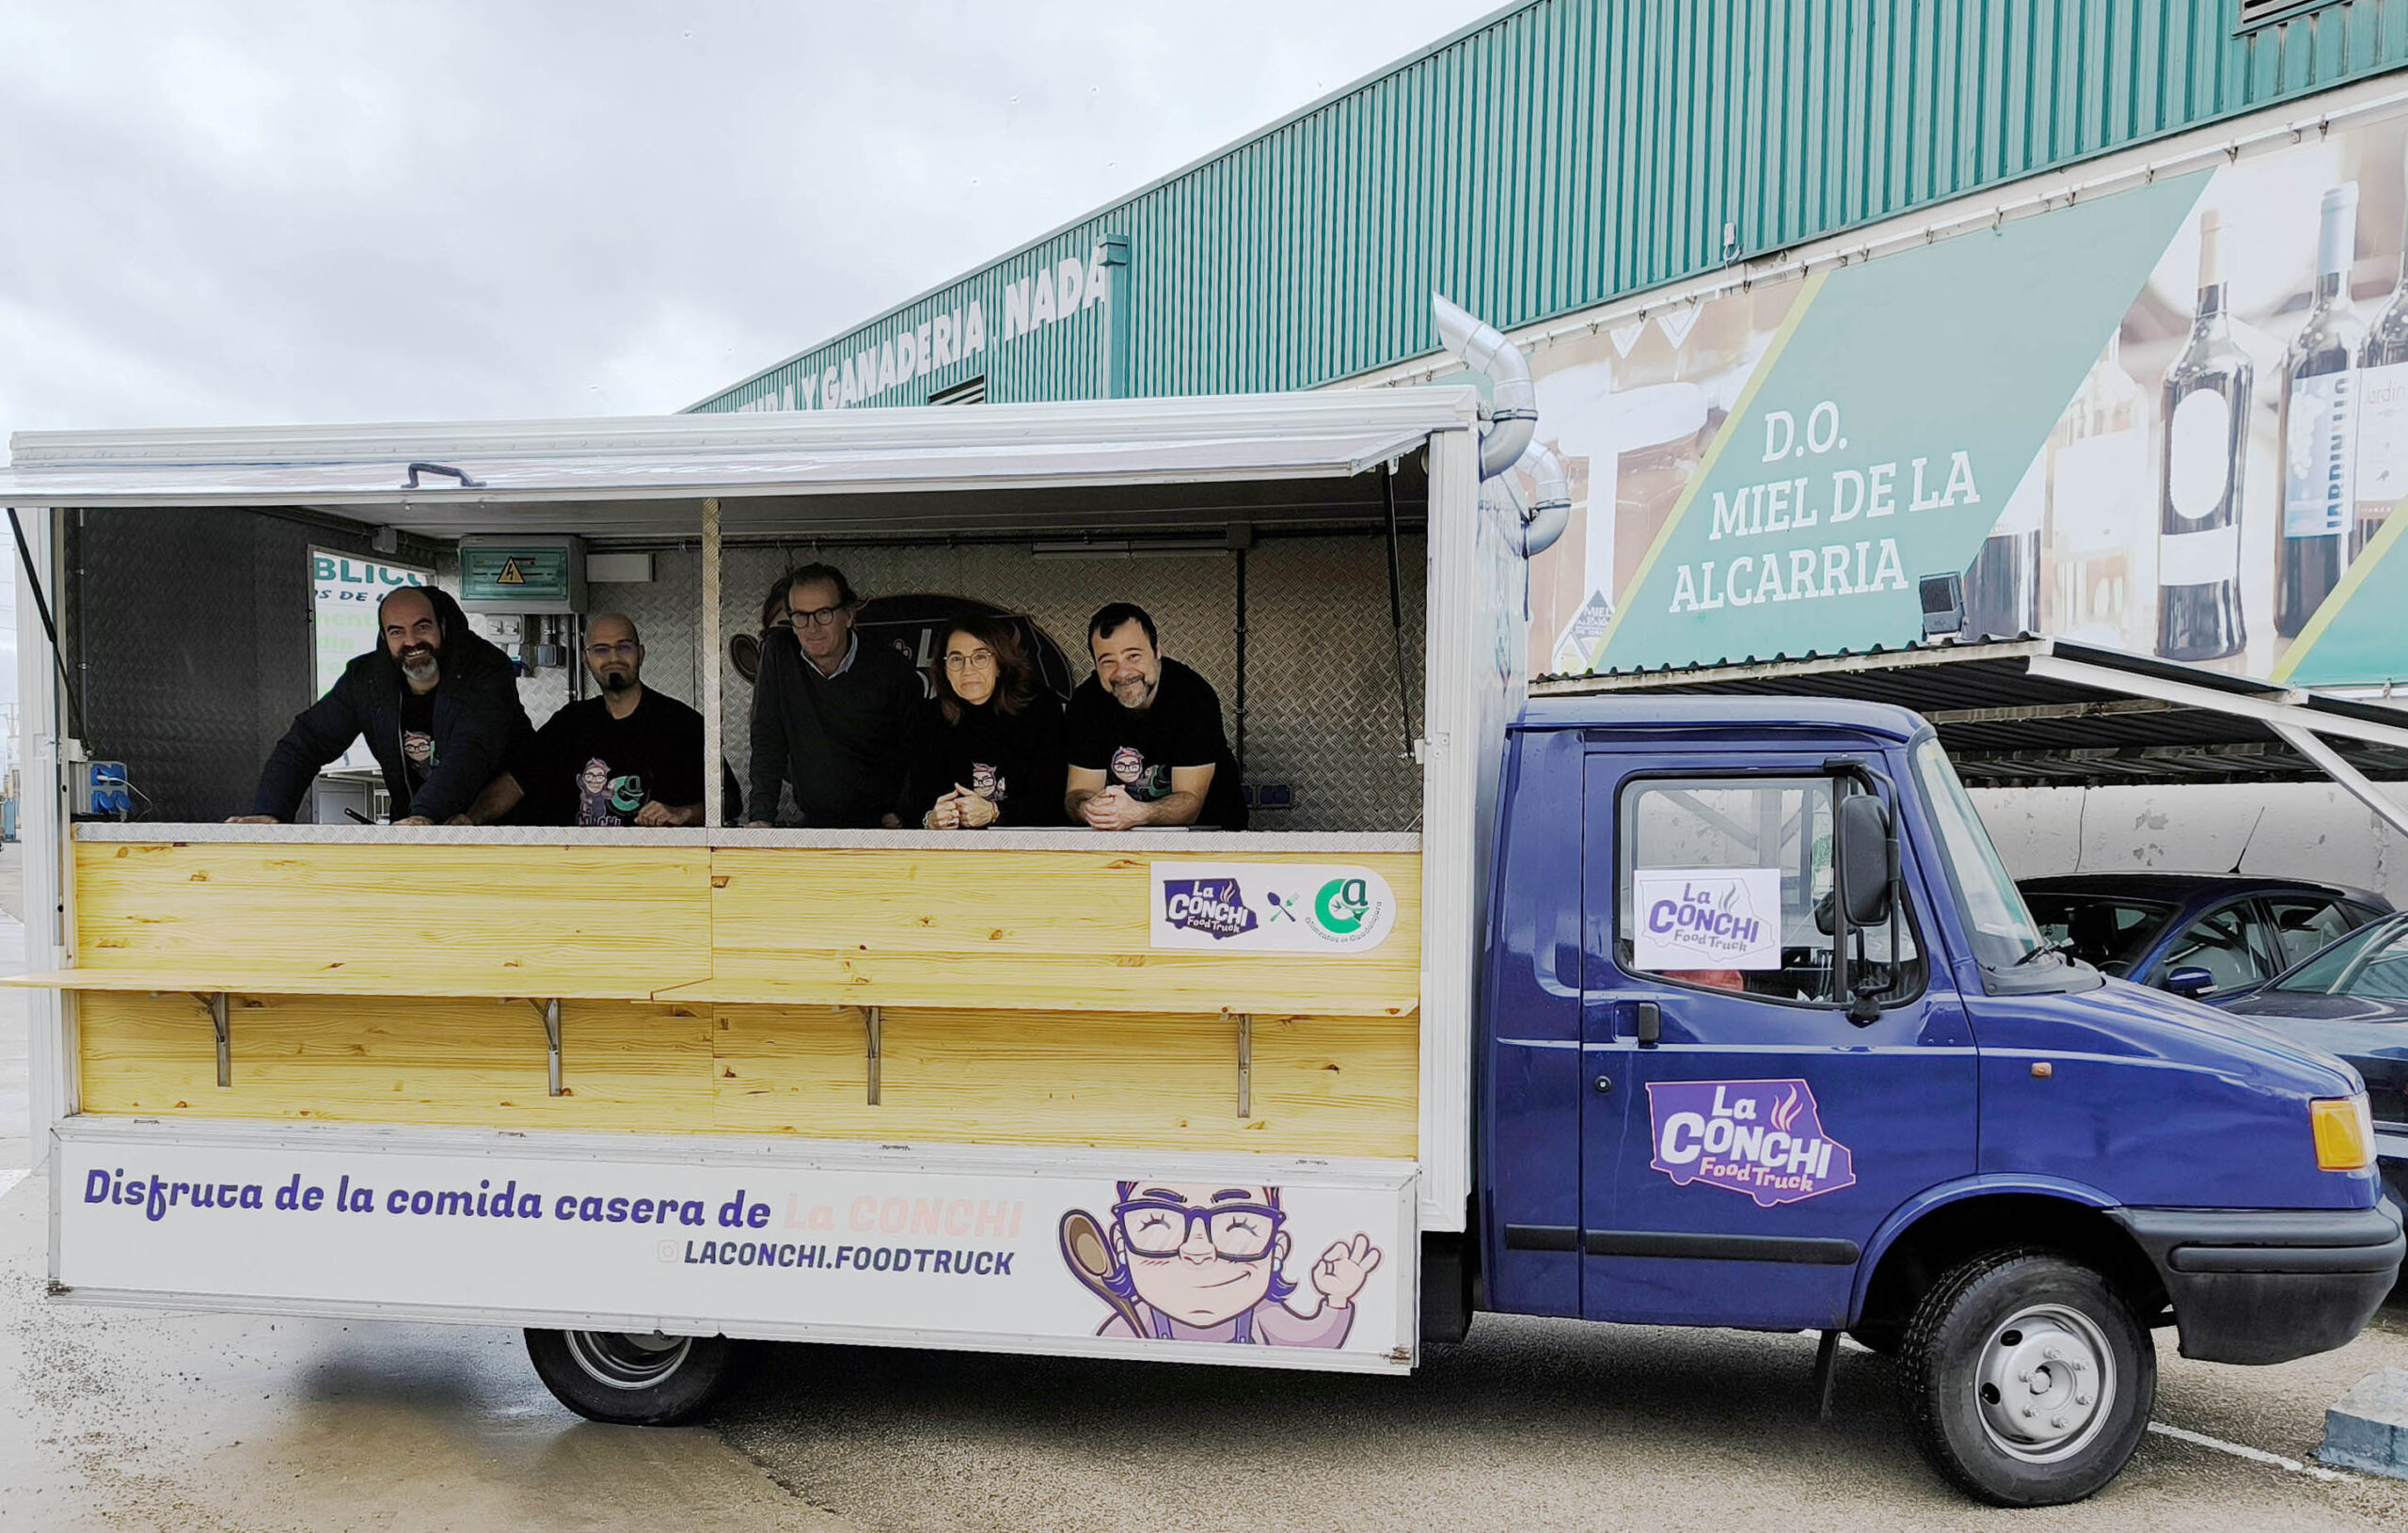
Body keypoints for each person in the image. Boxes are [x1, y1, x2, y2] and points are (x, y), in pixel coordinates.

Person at [235, 585, 530, 826]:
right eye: (397, 631)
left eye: (422, 627)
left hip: (506, 828)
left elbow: (472, 749)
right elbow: (306, 742)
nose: (412, 641)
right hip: (416, 828)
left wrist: (425, 814)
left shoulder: (486, 669)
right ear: (384, 637)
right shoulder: (366, 681)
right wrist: (269, 812)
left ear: (442, 626)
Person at [458, 614, 737, 828]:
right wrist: (470, 821)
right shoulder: (569, 724)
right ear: (586, 660)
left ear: (640, 654)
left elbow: (730, 801)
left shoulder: (681, 725)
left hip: (658, 872)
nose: (613, 657)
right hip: (582, 871)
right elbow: (517, 781)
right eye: (601, 650)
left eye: (623, 647)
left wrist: (682, 813)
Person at [745, 563, 924, 829]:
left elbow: (919, 748)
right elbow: (767, 737)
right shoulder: (778, 654)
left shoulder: (891, 667)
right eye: (801, 616)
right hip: (815, 822)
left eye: (824, 613)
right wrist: (761, 817)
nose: (812, 627)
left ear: (849, 616)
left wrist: (903, 812)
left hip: (884, 826)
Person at [1062, 603, 1246, 831]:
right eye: (1108, 661)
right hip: (1119, 844)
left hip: (1207, 838)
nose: (1123, 672)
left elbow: (1190, 803)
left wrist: (1138, 813)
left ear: (1157, 651)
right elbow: (1078, 793)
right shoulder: (1087, 702)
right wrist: (1089, 808)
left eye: (1133, 656)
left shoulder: (1192, 695)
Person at [908, 616, 1066, 830]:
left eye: (980, 657)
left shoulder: (1039, 707)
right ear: (943, 668)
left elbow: (1052, 799)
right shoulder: (929, 716)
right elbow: (914, 802)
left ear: (1000, 664)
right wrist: (932, 819)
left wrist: (995, 812)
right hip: (956, 853)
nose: (968, 669)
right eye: (956, 659)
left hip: (1027, 850)